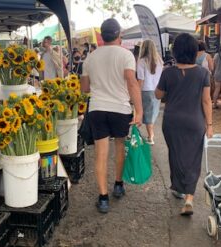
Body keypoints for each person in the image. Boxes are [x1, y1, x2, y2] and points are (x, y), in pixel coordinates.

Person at [81, 18, 143, 214]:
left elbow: (84, 89)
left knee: (101, 154)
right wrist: (140, 111)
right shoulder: (126, 55)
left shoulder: (90, 57)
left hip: (97, 108)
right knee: (119, 147)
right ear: (119, 35)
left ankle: (103, 197)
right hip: (120, 108)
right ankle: (118, 185)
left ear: (102, 35)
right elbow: (132, 84)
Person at [155, 33, 213, 216]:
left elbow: (157, 95)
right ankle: (189, 197)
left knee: (176, 154)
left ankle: (179, 187)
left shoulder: (168, 72)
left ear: (176, 51)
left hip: (172, 121)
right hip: (194, 121)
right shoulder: (203, 73)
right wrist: (209, 125)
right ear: (194, 52)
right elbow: (206, 101)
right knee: (193, 158)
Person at [137, 40, 163, 145]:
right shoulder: (160, 61)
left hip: (146, 90)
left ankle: (150, 136)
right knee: (152, 113)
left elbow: (140, 80)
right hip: (157, 90)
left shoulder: (141, 61)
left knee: (145, 113)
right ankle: (150, 135)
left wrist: (136, 93)